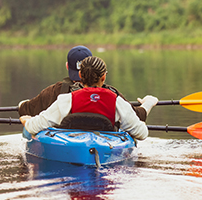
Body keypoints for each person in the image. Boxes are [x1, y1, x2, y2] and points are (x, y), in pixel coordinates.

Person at [20, 56, 157, 140]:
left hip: (73, 147)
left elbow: (33, 127)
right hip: (106, 148)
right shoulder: (117, 101)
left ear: (80, 75)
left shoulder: (66, 100)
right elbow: (143, 134)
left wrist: (26, 120)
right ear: (104, 77)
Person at [18, 45, 151, 122]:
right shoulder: (110, 94)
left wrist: (21, 104)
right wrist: (149, 102)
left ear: (67, 66)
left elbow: (25, 110)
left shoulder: (55, 91)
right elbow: (138, 116)